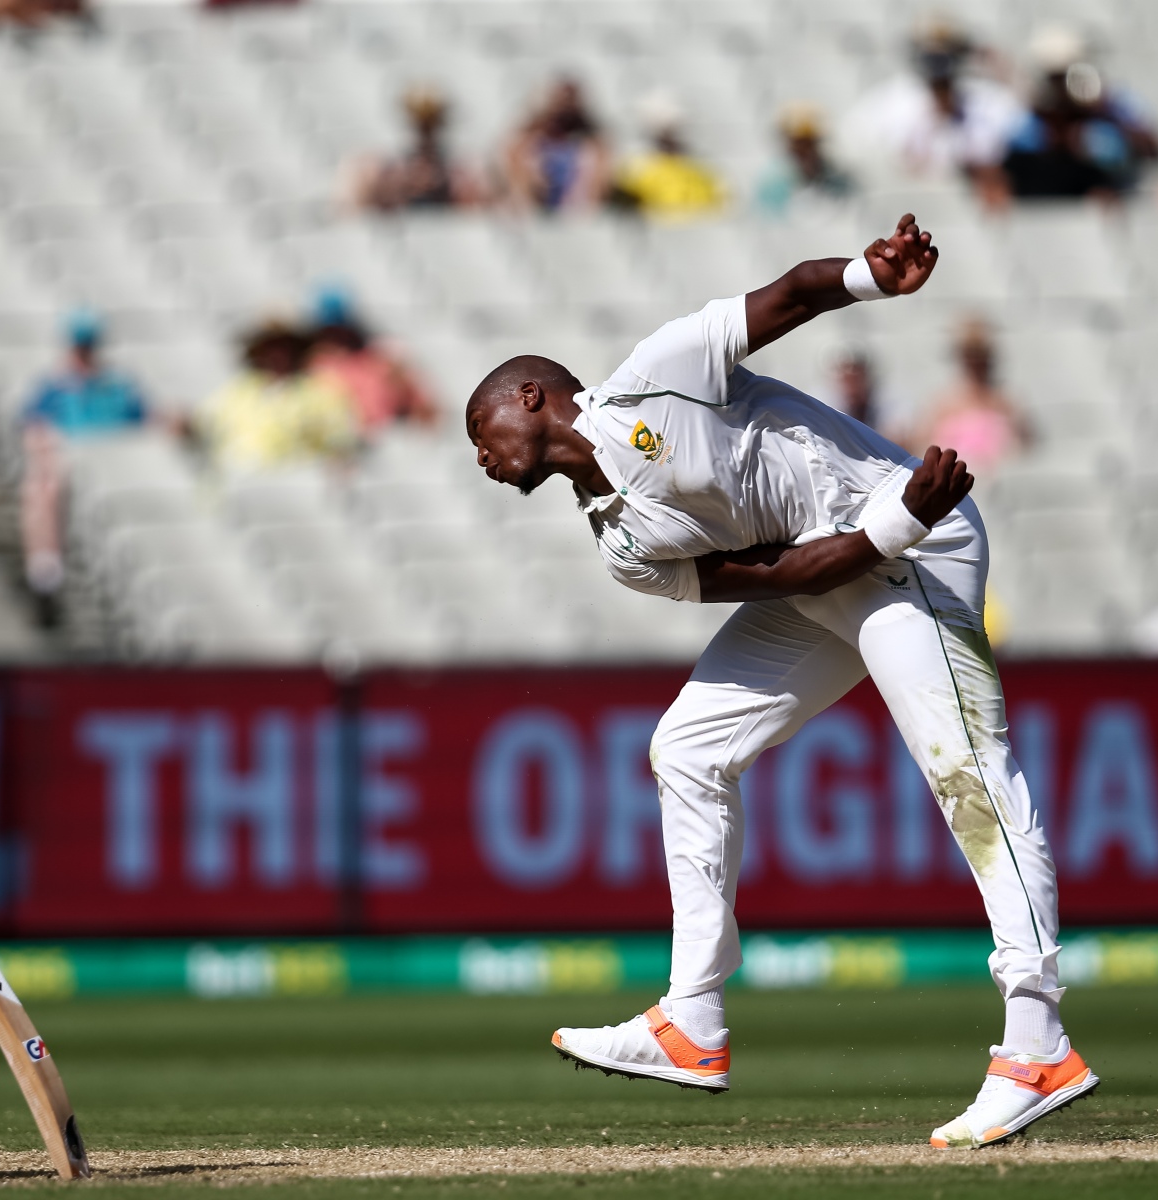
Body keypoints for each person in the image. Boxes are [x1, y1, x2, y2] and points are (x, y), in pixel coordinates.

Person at [464, 214, 1095, 1148]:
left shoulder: (657, 374)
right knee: (686, 750)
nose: (480, 456)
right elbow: (781, 576)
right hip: (840, 564)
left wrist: (871, 277)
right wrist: (883, 531)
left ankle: (1039, 1042)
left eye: (480, 431)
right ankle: (691, 1021)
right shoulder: (622, 549)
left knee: (967, 772)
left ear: (529, 395)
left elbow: (794, 294)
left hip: (916, 540)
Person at [19, 309, 147, 619]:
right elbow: (33, 429)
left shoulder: (119, 387)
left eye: (89, 345)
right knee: (43, 482)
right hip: (72, 468)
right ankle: (45, 571)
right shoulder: (54, 388)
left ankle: (47, 571)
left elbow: (142, 425)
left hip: (117, 467)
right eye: (80, 345)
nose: (84, 352)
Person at [843, 17, 1022, 207]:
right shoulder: (892, 101)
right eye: (932, 56)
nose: (940, 67)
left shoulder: (984, 98)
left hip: (965, 197)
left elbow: (997, 151)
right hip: (913, 197)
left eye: (948, 54)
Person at [1001, 26, 1158, 201]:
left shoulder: (1114, 106)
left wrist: (1104, 113)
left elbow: (1153, 149)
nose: (1062, 85)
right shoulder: (1035, 118)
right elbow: (1015, 156)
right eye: (1056, 77)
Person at [196, 320, 358, 471]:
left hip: (298, 476)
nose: (279, 354)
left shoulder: (321, 389)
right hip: (243, 477)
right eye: (271, 348)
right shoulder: (240, 390)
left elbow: (340, 435)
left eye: (285, 347)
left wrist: (338, 455)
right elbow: (206, 420)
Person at [911, 317, 1028, 478]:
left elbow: (1023, 444)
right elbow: (921, 442)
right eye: (970, 355)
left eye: (980, 355)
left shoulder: (1006, 401)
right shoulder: (943, 403)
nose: (975, 363)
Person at [306, 293, 434, 433]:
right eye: (331, 333)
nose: (338, 338)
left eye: (341, 331)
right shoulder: (317, 365)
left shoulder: (377, 356)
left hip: (383, 429)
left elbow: (418, 401)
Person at [351, 85, 487, 212]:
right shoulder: (389, 171)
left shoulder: (459, 173)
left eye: (431, 123)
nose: (425, 131)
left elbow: (474, 209)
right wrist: (396, 189)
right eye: (419, 124)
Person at [502, 77, 611, 213]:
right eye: (560, 101)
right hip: (538, 196)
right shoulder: (535, 132)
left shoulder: (589, 138)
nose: (564, 107)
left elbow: (602, 162)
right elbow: (512, 151)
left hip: (576, 200)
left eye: (569, 101)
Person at [611, 92, 727, 220]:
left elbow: (720, 201)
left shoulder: (701, 167)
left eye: (674, 128)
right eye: (664, 129)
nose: (670, 135)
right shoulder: (636, 167)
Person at [755, 102, 856, 212]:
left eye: (810, 144)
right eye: (799, 144)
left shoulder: (837, 179)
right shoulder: (772, 183)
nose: (806, 152)